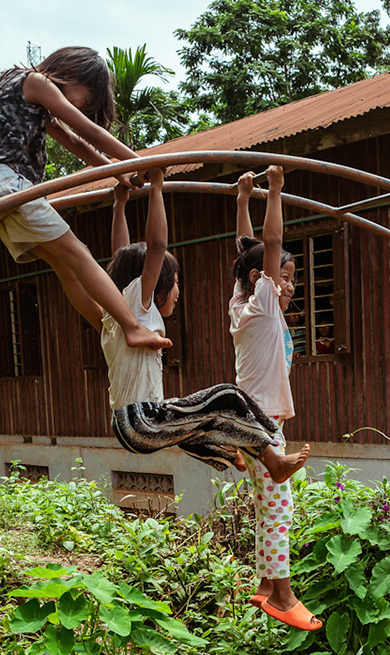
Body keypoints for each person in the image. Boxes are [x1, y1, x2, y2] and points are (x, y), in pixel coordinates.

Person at [86, 166, 309, 483]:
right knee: (226, 397)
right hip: (144, 421)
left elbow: (121, 255)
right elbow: (158, 247)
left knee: (200, 416)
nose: (178, 293)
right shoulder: (141, 304)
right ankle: (269, 458)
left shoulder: (117, 310)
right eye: (175, 282)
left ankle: (230, 452)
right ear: (155, 283)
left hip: (129, 424)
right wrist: (157, 188)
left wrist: (119, 205)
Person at [0, 46, 168, 352]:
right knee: (78, 252)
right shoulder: (34, 82)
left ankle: (107, 329)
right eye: (86, 98)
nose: (82, 107)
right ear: (71, 74)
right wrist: (139, 162)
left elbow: (74, 141)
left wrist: (119, 172)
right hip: (3, 181)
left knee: (64, 264)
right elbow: (87, 131)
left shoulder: (24, 94)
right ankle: (132, 327)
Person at [229, 167, 322, 631]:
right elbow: (266, 243)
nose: (287, 284)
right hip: (262, 422)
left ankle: (267, 585)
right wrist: (276, 192)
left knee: (269, 506)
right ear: (261, 277)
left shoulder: (242, 303)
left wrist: (244, 198)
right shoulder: (264, 303)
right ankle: (283, 595)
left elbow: (246, 248)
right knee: (280, 506)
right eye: (282, 275)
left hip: (250, 420)